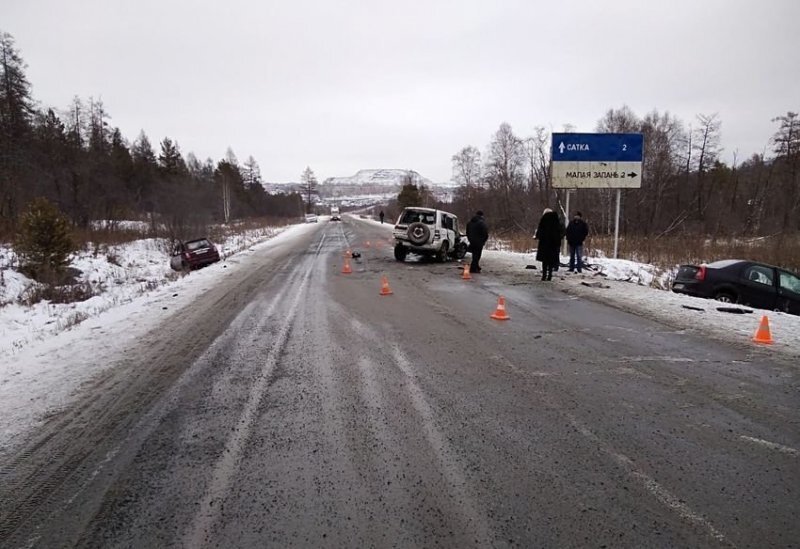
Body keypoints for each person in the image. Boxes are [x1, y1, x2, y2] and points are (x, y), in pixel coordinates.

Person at [535, 208, 562, 281]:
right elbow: (559, 231)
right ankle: (550, 275)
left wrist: (538, 237)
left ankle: (544, 275)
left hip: (544, 243)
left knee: (545, 261)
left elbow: (540, 230)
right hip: (553, 243)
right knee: (551, 261)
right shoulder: (556, 220)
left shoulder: (544, 220)